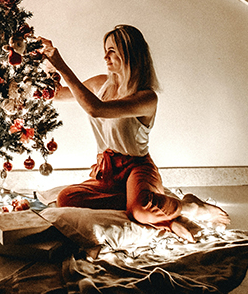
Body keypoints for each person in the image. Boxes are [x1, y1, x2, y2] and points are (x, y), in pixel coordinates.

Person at [39, 25, 230, 242]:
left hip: (137, 167)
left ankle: (188, 206)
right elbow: (54, 95)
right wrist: (48, 61)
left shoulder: (146, 98)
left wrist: (61, 64)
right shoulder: (100, 83)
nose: (105, 56)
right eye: (105, 49)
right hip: (108, 169)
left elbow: (96, 109)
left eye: (112, 50)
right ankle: (162, 211)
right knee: (66, 198)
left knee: (140, 210)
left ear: (129, 53)